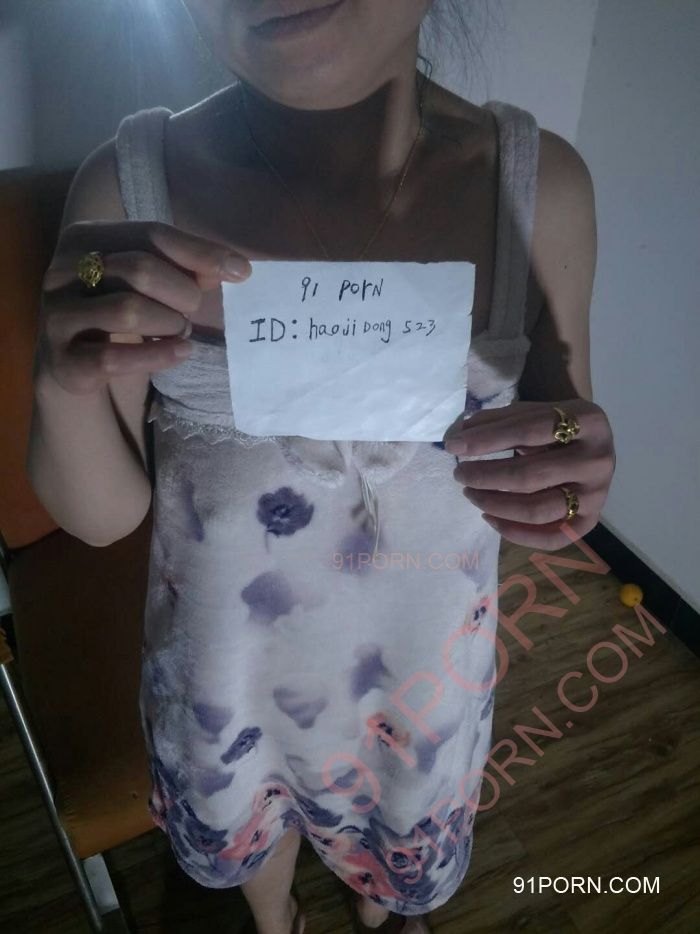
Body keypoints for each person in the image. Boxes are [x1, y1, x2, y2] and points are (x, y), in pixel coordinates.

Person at [27, 1, 616, 932]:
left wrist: (569, 482)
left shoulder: (540, 192)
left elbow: (561, 451)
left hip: (417, 685)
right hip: (226, 683)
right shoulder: (129, 187)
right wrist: (60, 381)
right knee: (251, 842)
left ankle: (378, 915)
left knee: (391, 849)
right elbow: (100, 518)